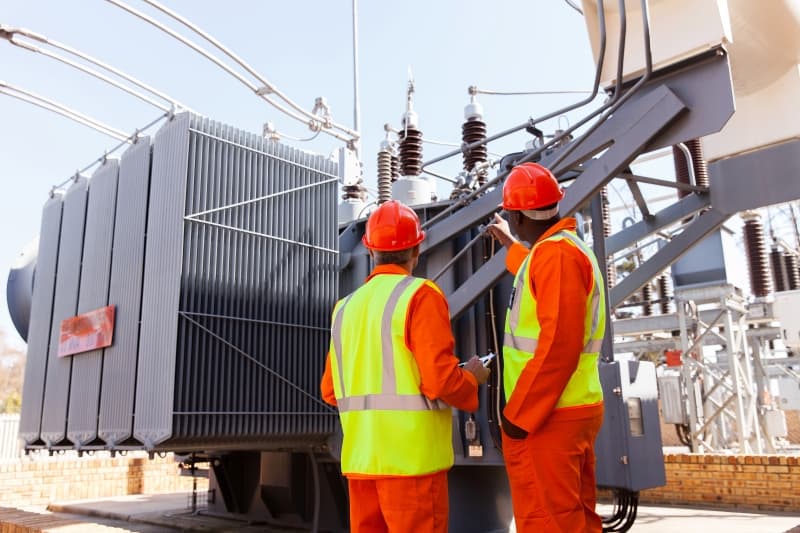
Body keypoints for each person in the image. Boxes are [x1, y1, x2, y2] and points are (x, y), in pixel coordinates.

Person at [320, 199, 490, 533]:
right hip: (412, 467)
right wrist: (471, 377)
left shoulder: (344, 308)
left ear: (370, 251)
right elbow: (441, 381)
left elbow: (330, 390)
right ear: (417, 249)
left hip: (362, 463)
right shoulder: (421, 295)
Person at [486, 162, 606, 533]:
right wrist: (510, 243)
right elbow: (535, 274)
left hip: (549, 415)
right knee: (574, 518)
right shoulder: (557, 252)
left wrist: (518, 415)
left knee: (548, 520)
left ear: (516, 214)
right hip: (569, 407)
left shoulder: (556, 255)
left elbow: (560, 345)